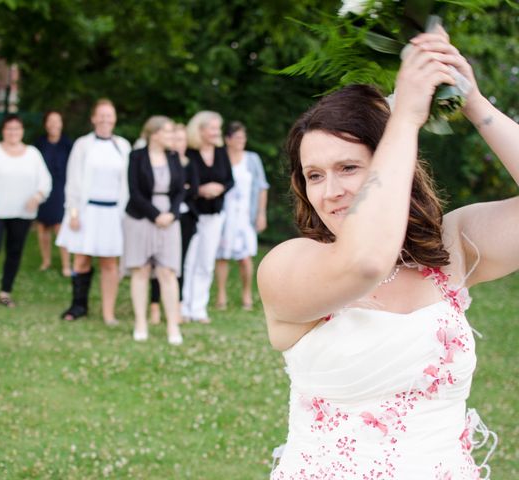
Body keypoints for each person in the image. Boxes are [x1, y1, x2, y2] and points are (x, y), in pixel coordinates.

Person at [259, 28, 515, 478]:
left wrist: (472, 102)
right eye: (314, 175)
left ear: (392, 164)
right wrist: (406, 118)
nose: (331, 192)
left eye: (348, 167)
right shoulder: (288, 265)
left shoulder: (451, 252)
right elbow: (365, 262)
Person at [56, 99, 131, 324]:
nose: (106, 120)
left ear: (115, 118)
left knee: (109, 263)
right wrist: (73, 212)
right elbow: (73, 180)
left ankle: (109, 312)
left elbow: (127, 183)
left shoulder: (123, 146)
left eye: (110, 115)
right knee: (81, 260)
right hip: (87, 210)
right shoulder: (83, 145)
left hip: (112, 213)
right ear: (93, 118)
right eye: (102, 115)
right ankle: (79, 305)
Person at [0, 114, 52, 311]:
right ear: (3, 131)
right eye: (9, 128)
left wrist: (36, 197)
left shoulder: (32, 154)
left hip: (21, 213)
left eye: (17, 128)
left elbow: (45, 181)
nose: (13, 132)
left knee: (14, 252)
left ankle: (5, 292)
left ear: (22, 131)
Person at [123, 116, 185, 344]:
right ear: (155, 134)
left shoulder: (173, 157)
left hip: (169, 218)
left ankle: (172, 326)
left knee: (167, 272)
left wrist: (171, 214)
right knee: (140, 270)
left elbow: (180, 190)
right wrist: (154, 215)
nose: (172, 137)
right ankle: (141, 322)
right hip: (141, 217)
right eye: (168, 133)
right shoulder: (136, 157)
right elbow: (134, 191)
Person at [181, 111, 234, 323]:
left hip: (215, 214)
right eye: (212, 128)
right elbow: (182, 183)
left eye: (217, 128)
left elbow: (230, 180)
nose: (216, 132)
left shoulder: (221, 152)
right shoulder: (189, 153)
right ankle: (183, 307)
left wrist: (219, 188)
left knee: (206, 262)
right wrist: (200, 190)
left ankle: (198, 308)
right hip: (193, 215)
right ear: (200, 130)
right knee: (189, 261)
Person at [215, 121, 269, 311]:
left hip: (246, 214)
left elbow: (262, 187)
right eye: (237, 137)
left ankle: (247, 293)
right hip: (224, 214)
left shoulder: (252, 159)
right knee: (221, 256)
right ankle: (221, 295)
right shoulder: (219, 157)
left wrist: (261, 214)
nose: (241, 141)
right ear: (227, 140)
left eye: (243, 137)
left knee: (245, 257)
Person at [148, 123, 199, 325]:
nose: (179, 143)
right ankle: (154, 305)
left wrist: (183, 189)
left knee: (178, 264)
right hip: (161, 214)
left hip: (184, 218)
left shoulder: (189, 164)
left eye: (183, 139)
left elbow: (192, 189)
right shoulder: (165, 162)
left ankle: (176, 305)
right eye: (176, 139)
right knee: (155, 262)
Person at [35, 111, 73, 277]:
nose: (54, 124)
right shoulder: (39, 144)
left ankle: (66, 265)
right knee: (42, 226)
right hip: (43, 188)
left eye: (57, 121)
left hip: (61, 188)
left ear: (62, 123)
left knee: (60, 226)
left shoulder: (68, 144)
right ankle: (46, 261)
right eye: (50, 121)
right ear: (46, 124)